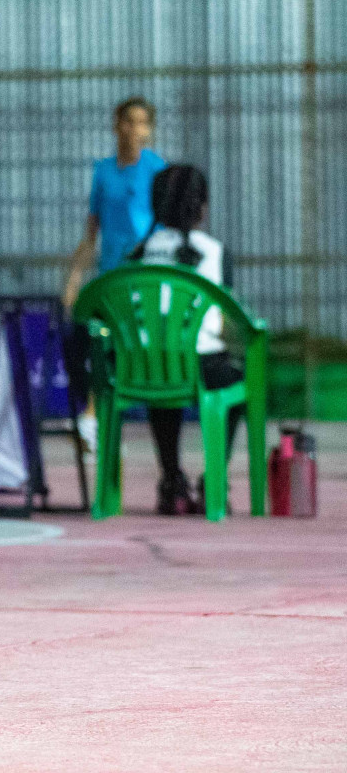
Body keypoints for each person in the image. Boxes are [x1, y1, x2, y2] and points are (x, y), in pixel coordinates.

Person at [126, 165, 244, 516]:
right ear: (202, 206)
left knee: (164, 383)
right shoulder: (216, 252)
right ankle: (215, 480)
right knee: (237, 384)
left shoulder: (139, 253)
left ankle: (172, 481)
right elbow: (223, 321)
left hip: (144, 367)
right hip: (202, 365)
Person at [62, 97, 167, 448]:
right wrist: (75, 278)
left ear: (149, 130)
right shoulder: (104, 171)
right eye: (128, 121)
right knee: (79, 340)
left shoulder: (157, 170)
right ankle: (94, 414)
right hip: (109, 278)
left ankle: (95, 419)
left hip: (144, 278)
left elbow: (166, 228)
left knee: (121, 348)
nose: (133, 129)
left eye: (141, 123)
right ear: (116, 124)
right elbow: (91, 232)